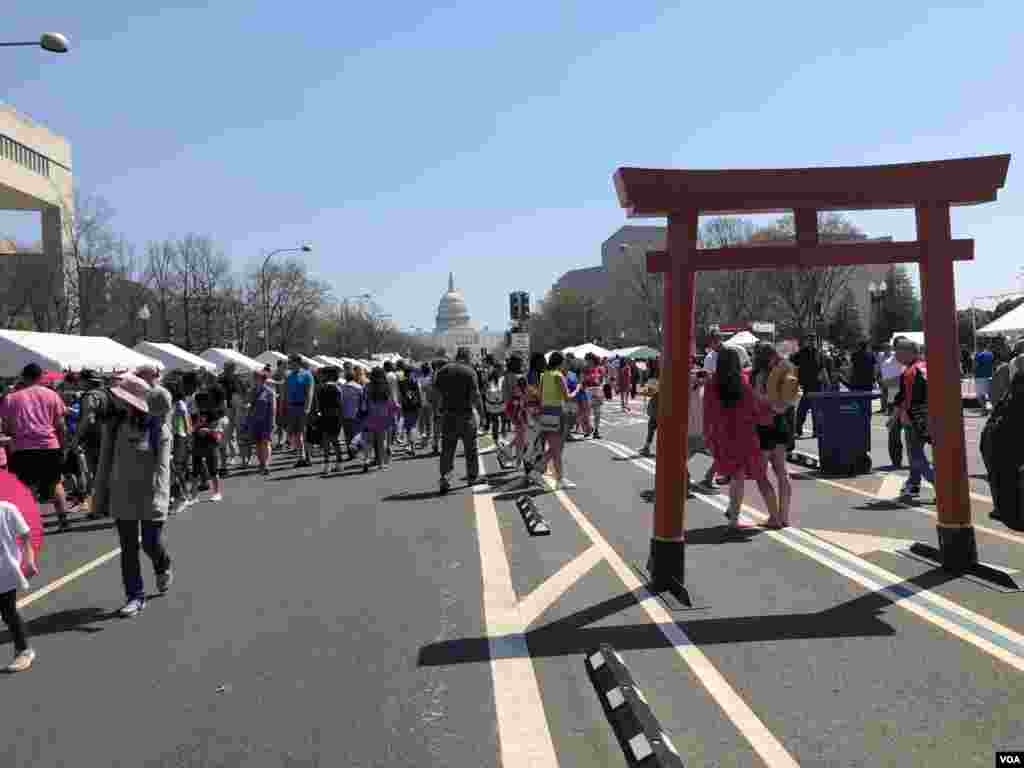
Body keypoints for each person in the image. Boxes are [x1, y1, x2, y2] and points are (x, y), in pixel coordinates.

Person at [91, 373, 174, 618]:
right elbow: (105, 461)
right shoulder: (115, 426)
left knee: (150, 542)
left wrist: (160, 498)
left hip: (151, 494)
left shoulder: (159, 428)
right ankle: (135, 596)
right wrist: (100, 496)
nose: (118, 401)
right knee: (128, 547)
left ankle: (162, 564)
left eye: (123, 398)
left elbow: (162, 468)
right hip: (122, 493)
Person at [703, 347, 781, 529]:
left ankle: (734, 518)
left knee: (735, 477)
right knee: (760, 476)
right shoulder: (743, 382)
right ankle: (774, 517)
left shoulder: (712, 384)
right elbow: (754, 408)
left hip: (724, 434)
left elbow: (708, 412)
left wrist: (708, 436)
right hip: (746, 433)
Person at [0, 364, 71, 531]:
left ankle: (30, 524)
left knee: (27, 487)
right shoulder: (52, 395)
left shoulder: (11, 398)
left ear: (23, 377)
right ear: (40, 377)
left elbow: (7, 426)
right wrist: (64, 446)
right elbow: (61, 425)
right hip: (49, 445)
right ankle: (63, 520)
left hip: (23, 448)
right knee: (55, 483)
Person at [752, 344, 801, 526]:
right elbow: (791, 401)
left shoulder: (759, 376)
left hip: (764, 426)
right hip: (781, 424)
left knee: (761, 475)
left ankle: (774, 517)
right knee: (782, 472)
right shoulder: (783, 374)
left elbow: (758, 399)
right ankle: (784, 517)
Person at [0, 470, 41, 672]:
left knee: (8, 611)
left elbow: (25, 535)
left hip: (4, 572)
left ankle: (24, 650)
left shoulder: (7, 510)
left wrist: (29, 561)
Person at [434, 348, 485, 493]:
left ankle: (445, 477)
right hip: (466, 415)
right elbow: (476, 395)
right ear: (467, 357)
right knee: (471, 449)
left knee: (447, 449)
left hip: (448, 416)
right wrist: (482, 414)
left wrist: (438, 411)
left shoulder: (443, 371)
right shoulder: (470, 372)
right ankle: (472, 477)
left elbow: (436, 394)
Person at [892, 338, 933, 498]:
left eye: (898, 351)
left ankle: (938, 483)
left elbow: (906, 398)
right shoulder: (926, 366)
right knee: (916, 453)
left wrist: (898, 416)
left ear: (908, 352)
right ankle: (913, 483)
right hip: (931, 416)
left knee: (915, 454)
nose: (896, 355)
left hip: (916, 418)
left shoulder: (910, 372)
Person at [539, 351, 575, 489]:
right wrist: (578, 388)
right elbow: (567, 397)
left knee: (555, 447)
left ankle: (557, 477)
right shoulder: (558, 375)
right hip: (558, 413)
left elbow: (540, 396)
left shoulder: (544, 376)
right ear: (560, 363)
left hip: (545, 413)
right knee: (557, 448)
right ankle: (558, 479)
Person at [791, 335, 830, 437]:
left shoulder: (819, 353)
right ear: (807, 342)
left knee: (816, 411)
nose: (812, 342)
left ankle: (816, 431)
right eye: (810, 340)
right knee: (801, 411)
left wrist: (827, 383)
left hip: (817, 386)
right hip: (807, 386)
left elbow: (823, 369)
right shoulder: (801, 353)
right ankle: (798, 431)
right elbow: (793, 365)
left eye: (813, 340)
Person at [362, 368, 399, 472]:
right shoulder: (386, 386)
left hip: (370, 416)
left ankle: (366, 460)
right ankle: (381, 464)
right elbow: (391, 402)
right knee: (382, 441)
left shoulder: (367, 386)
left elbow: (364, 402)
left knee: (369, 441)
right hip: (383, 416)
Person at [285, 355, 315, 467]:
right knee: (296, 434)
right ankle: (300, 457)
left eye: (291, 362)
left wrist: (307, 408)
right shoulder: (289, 376)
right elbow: (287, 392)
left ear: (297, 362)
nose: (289, 365)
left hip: (303, 407)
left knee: (305, 433)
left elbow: (309, 393)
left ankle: (308, 457)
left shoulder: (307, 375)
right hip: (292, 408)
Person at [248, 368, 277, 476]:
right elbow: (249, 404)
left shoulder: (269, 391)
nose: (254, 379)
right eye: (254, 377)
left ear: (262, 379)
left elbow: (273, 408)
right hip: (255, 420)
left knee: (266, 442)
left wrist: (273, 421)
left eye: (256, 377)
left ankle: (266, 465)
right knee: (258, 443)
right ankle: (261, 463)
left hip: (266, 420)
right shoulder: (252, 391)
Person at [397, 363, 423, 456]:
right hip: (414, 405)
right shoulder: (415, 381)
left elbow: (399, 395)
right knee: (413, 426)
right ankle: (412, 447)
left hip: (405, 405)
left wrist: (400, 405)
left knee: (408, 426)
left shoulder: (401, 382)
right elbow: (419, 393)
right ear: (411, 372)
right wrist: (420, 403)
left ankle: (409, 445)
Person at [340, 368, 365, 460]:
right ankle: (358, 450)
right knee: (357, 433)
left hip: (345, 414)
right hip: (356, 414)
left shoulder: (342, 388)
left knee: (348, 435)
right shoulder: (359, 388)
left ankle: (351, 454)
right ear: (354, 377)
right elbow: (363, 401)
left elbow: (340, 402)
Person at [484, 366, 506, 443]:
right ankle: (497, 437)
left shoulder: (502, 379)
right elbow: (487, 393)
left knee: (501, 421)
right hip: (495, 405)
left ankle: (500, 434)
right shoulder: (490, 381)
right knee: (496, 422)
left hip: (498, 405)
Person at [975, 341, 995, 412]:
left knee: (980, 395)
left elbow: (975, 365)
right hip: (990, 375)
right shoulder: (991, 354)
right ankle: (993, 408)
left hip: (980, 376)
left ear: (979, 347)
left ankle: (984, 409)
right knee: (989, 393)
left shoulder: (978, 354)